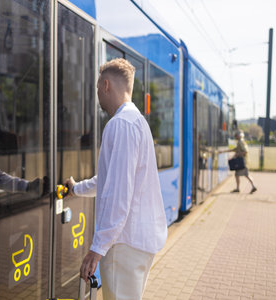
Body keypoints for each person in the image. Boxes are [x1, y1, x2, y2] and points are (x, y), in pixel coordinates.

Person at [65, 58, 167, 300]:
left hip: (123, 245)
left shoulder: (119, 125)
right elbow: (111, 179)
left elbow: (119, 194)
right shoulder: (137, 122)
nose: (98, 93)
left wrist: (97, 249)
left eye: (98, 87)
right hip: (138, 243)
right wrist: (77, 189)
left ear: (107, 85)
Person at [223, 130, 257, 194]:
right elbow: (236, 149)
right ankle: (250, 186)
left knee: (242, 175)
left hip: (241, 161)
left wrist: (237, 154)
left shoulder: (240, 142)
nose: (235, 137)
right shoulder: (241, 142)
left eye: (236, 135)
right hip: (242, 161)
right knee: (242, 175)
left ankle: (247, 187)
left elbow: (245, 151)